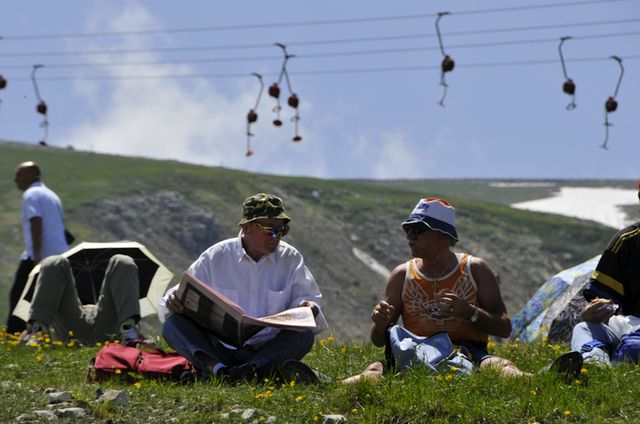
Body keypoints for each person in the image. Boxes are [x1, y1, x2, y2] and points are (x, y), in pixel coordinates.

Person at [347, 197, 565, 383]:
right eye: (407, 229)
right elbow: (378, 340)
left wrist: (468, 312)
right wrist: (381, 322)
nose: (409, 236)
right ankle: (325, 383)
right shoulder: (401, 275)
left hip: (466, 351)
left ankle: (543, 379)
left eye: (418, 230)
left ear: (443, 234)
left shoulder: (475, 269)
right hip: (412, 351)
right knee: (374, 370)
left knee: (498, 366)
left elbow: (504, 328)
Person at [159, 193, 328, 382]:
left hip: (267, 348)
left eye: (281, 230)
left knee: (303, 337)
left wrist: (309, 307)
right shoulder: (216, 256)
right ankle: (220, 369)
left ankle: (244, 372)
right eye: (269, 230)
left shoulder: (291, 258)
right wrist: (173, 300)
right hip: (220, 348)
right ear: (246, 227)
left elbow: (309, 301)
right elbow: (180, 292)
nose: (276, 236)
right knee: (173, 325)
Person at [569, 180, 640, 365]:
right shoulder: (626, 241)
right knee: (584, 328)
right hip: (632, 332)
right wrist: (593, 312)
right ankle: (594, 365)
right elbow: (602, 304)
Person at [20, 254, 143, 346]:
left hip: (106, 323)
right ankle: (39, 331)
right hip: (70, 324)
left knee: (122, 261)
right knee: (54, 262)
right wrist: (30, 328)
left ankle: (129, 330)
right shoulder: (64, 280)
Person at [7, 161, 69, 335]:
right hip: (60, 255)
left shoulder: (31, 194)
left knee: (19, 297)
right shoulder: (51, 195)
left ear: (32, 175)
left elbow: (36, 222)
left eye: (19, 174)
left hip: (40, 257)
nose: (15, 179)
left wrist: (36, 258)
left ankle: (15, 336)